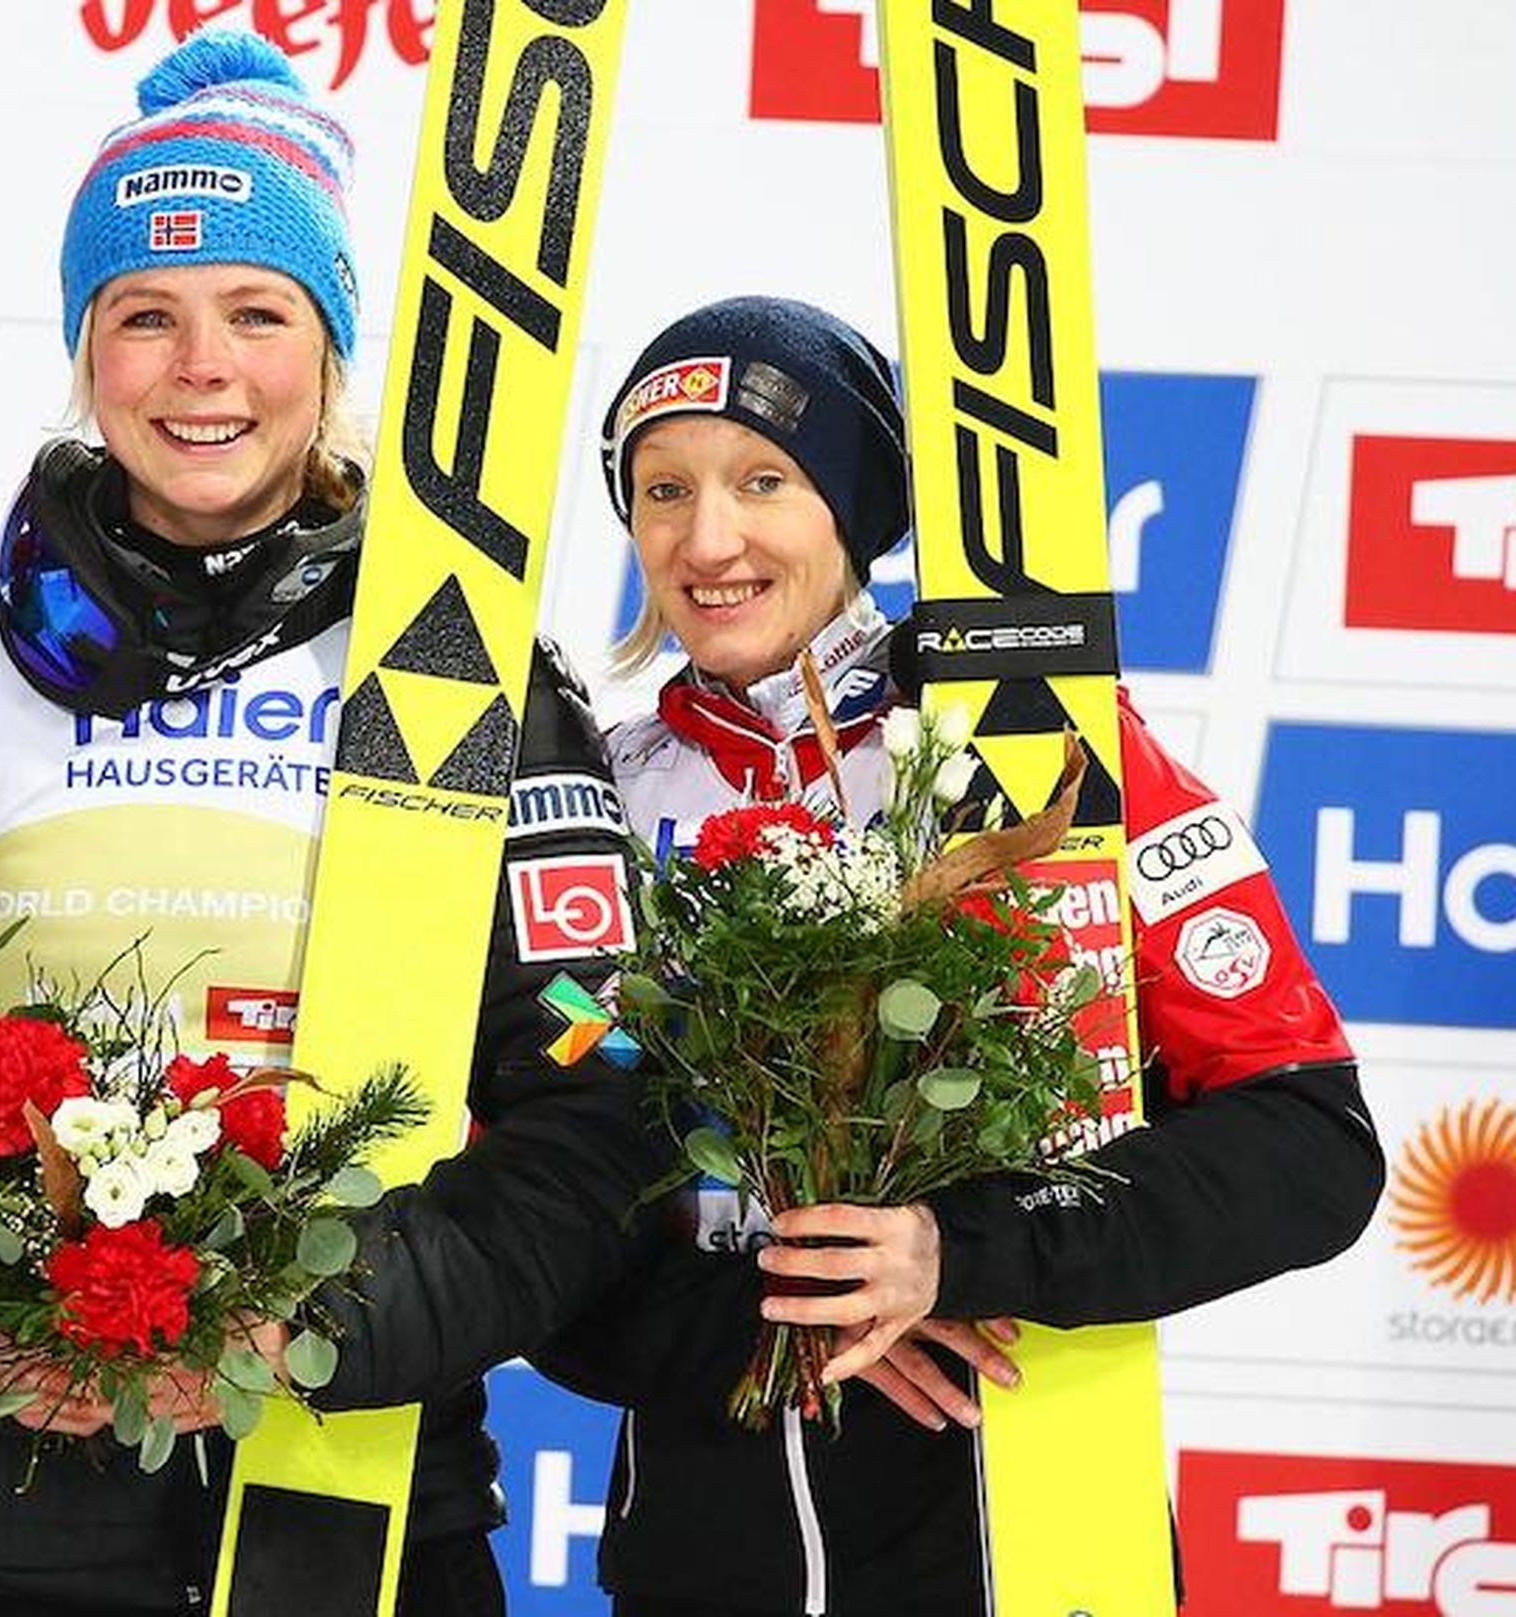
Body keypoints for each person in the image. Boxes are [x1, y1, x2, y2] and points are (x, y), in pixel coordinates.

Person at [0, 32, 660, 1617]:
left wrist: (331, 1321)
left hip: (353, 1509)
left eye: (259, 313)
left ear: (329, 347)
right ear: (84, 347)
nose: (203, 369)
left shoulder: (459, 670)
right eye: (144, 316)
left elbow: (594, 1070)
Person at [529, 295, 1386, 1616]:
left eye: (766, 479)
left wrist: (952, 1249)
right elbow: (532, 1196)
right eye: (662, 489)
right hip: (705, 1541)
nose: (708, 539)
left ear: (856, 507)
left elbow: (1309, 1145)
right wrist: (766, 1326)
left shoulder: (1023, 743)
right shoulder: (595, 797)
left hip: (1013, 1518)